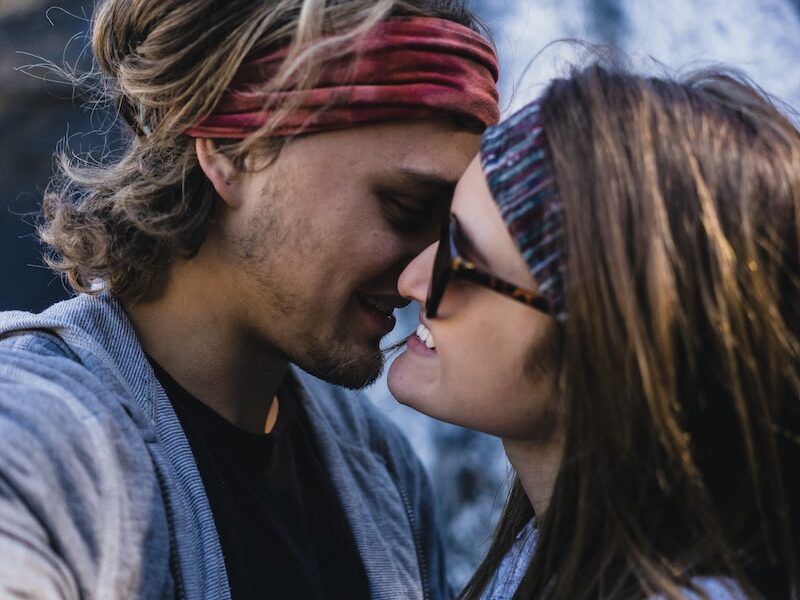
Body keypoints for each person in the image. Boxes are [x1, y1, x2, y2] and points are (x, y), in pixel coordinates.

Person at [0, 0, 500, 598]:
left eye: (453, 227)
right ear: (230, 150)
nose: (434, 271)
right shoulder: (38, 437)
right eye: (406, 208)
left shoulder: (383, 470)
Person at [388, 63, 800, 599]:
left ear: (605, 343)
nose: (410, 280)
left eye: (461, 260)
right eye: (443, 231)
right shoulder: (551, 561)